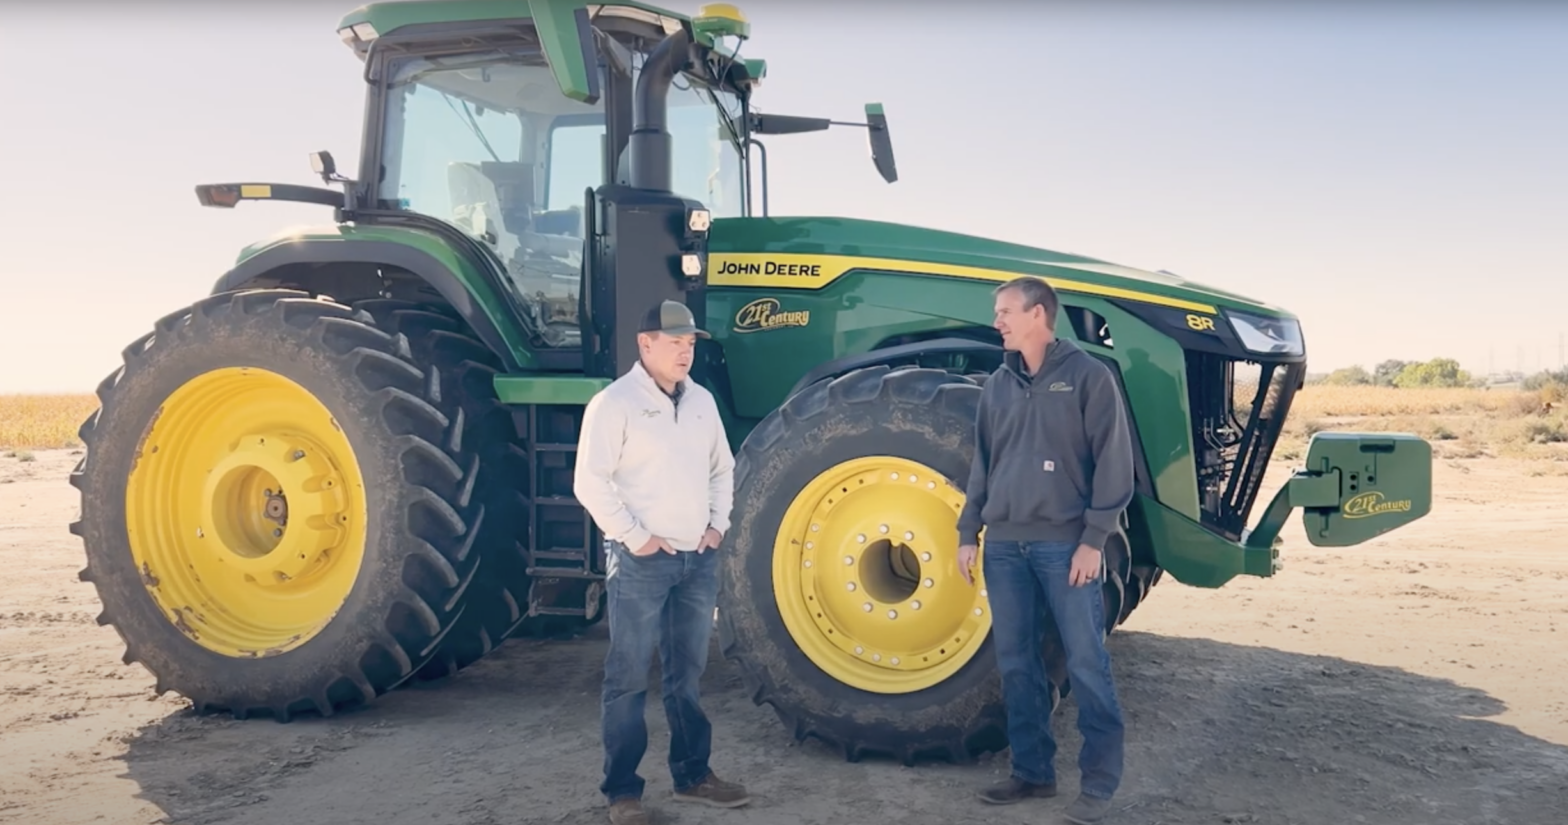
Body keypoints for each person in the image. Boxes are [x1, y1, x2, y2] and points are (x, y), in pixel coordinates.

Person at [955, 277, 1135, 825]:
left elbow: (1114, 463)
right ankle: (1032, 774)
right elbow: (983, 466)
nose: (998, 322)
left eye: (1006, 311)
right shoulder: (997, 387)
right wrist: (968, 533)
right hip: (1005, 547)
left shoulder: (1088, 378)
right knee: (1016, 664)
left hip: (1065, 548)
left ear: (1038, 314)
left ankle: (1099, 784)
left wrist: (1093, 540)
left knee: (1085, 661)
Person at [573, 299, 749, 825]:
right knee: (627, 677)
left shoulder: (702, 402)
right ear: (644, 344)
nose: (685, 352)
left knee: (687, 675)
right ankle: (623, 792)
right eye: (674, 343)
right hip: (641, 562)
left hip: (698, 560)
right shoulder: (614, 404)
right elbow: (590, 482)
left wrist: (717, 526)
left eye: (691, 343)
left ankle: (693, 775)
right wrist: (635, 538)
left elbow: (723, 469)